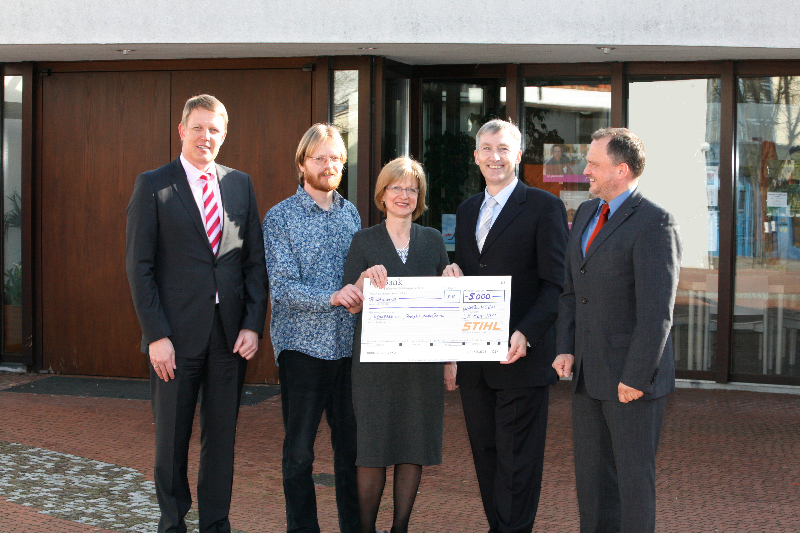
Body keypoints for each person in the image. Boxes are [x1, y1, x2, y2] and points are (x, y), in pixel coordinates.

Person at [126, 94, 268, 533]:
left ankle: (216, 524)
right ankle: (172, 524)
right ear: (182, 131)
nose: (206, 136)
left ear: (224, 135)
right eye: (199, 127)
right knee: (171, 442)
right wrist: (156, 336)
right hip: (174, 339)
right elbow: (139, 267)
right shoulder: (153, 185)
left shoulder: (240, 184)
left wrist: (252, 324)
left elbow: (254, 262)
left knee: (221, 442)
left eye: (214, 129)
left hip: (229, 338)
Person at [553, 127, 681, 533]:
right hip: (587, 376)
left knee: (632, 484)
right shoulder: (586, 213)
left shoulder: (655, 222)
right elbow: (571, 290)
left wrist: (636, 376)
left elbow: (657, 312)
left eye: (594, 164)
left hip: (631, 381)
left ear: (621, 170)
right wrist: (566, 347)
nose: (585, 170)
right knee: (592, 485)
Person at [443, 119, 568, 533]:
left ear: (518, 155)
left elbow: (556, 284)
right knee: (487, 458)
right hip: (476, 362)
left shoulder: (544, 207)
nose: (494, 157)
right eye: (486, 148)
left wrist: (526, 333)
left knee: (518, 464)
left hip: (521, 358)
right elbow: (471, 273)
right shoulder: (466, 211)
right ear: (475, 156)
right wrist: (452, 272)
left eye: (503, 149)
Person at [341, 157, 452, 533]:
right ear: (383, 194)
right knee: (372, 450)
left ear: (419, 196)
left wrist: (453, 277)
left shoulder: (433, 240)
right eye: (396, 187)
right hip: (375, 366)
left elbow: (446, 304)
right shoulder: (364, 240)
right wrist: (363, 278)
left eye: (411, 189)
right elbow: (351, 304)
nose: (404, 195)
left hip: (422, 365)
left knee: (412, 447)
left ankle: (400, 528)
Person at [263, 124, 362, 533]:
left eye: (335, 158)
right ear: (302, 163)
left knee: (352, 452)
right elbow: (283, 289)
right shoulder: (280, 217)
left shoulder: (351, 214)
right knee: (300, 453)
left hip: (348, 349)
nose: (329, 165)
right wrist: (333, 297)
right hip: (302, 350)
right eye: (320, 158)